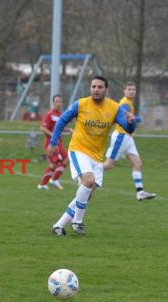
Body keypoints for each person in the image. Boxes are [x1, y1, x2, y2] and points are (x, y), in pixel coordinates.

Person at [48, 76, 136, 236]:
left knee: (87, 194)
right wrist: (53, 142)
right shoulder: (81, 104)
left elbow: (127, 128)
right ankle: (78, 222)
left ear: (106, 89)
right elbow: (62, 120)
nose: (96, 89)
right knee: (88, 181)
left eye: (100, 87)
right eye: (93, 86)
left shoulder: (114, 108)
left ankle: (58, 225)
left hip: (96, 156)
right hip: (78, 149)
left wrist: (131, 121)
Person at [103, 82, 156, 201]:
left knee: (137, 163)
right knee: (109, 165)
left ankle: (140, 192)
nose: (132, 91)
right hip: (121, 136)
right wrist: (138, 118)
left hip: (128, 138)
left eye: (133, 89)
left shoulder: (129, 103)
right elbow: (126, 117)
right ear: (124, 91)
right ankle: (87, 173)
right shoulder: (125, 103)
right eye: (129, 89)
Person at [37, 94, 72, 190]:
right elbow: (42, 128)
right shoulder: (50, 114)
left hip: (58, 142)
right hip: (51, 143)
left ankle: (49, 182)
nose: (59, 103)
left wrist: (68, 130)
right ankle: (47, 183)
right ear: (53, 103)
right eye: (57, 101)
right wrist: (53, 135)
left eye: (60, 101)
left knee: (63, 161)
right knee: (58, 162)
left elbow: (59, 128)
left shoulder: (60, 115)